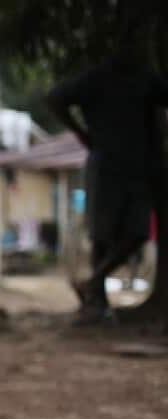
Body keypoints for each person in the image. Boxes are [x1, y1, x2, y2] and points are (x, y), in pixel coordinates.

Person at [48, 30, 168, 322]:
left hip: (139, 167)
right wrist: (82, 134)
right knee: (102, 235)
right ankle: (96, 301)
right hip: (106, 165)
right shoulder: (96, 78)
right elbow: (55, 99)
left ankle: (92, 283)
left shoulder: (146, 78)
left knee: (137, 234)